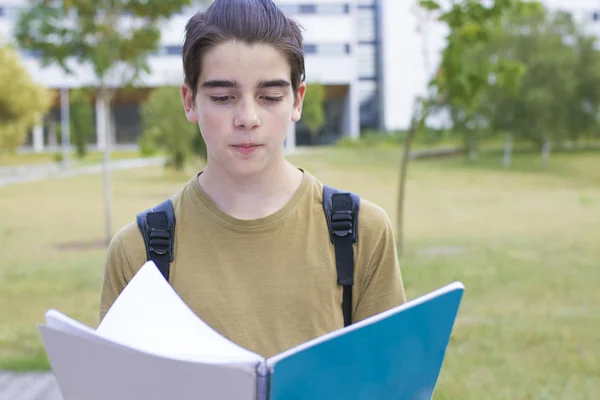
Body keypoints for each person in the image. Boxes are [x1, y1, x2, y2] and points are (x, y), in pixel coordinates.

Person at [99, 0, 406, 360]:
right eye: (223, 97)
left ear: (297, 100)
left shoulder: (362, 233)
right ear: (189, 101)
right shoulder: (137, 252)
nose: (247, 117)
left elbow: (393, 380)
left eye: (270, 96)